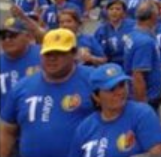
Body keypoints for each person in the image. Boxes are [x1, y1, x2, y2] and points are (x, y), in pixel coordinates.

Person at [0, 29, 95, 157]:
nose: (52, 58)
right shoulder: (22, 87)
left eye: (59, 53)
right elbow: (7, 130)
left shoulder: (93, 80)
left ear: (73, 53)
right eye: (48, 53)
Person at [68, 63, 161, 157]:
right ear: (96, 96)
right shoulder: (85, 128)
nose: (119, 92)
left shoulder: (142, 114)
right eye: (111, 89)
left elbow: (158, 153)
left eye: (122, 85)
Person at [123, 1, 161, 108]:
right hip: (146, 98)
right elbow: (138, 75)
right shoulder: (145, 42)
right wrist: (142, 105)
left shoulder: (133, 35)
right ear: (153, 16)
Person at [0, 17, 40, 108]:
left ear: (27, 36)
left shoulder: (44, 55)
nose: (7, 40)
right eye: (3, 37)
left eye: (12, 35)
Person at [94, 0, 136, 67]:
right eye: (111, 9)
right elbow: (95, 48)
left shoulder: (133, 26)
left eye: (118, 9)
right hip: (110, 65)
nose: (114, 12)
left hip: (129, 65)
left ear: (124, 13)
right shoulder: (102, 29)